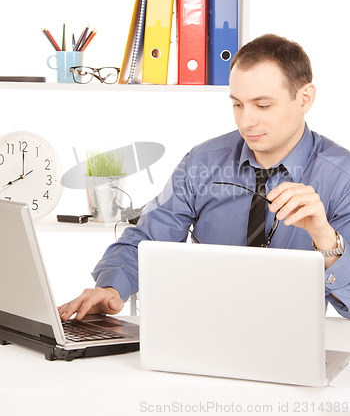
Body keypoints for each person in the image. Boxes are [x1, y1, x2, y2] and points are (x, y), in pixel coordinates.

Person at [59, 34, 350, 321]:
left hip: (294, 343)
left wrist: (326, 241)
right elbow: (149, 237)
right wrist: (111, 287)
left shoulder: (342, 178)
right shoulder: (202, 162)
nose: (246, 121)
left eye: (263, 105)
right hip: (201, 330)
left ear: (304, 98)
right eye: (237, 104)